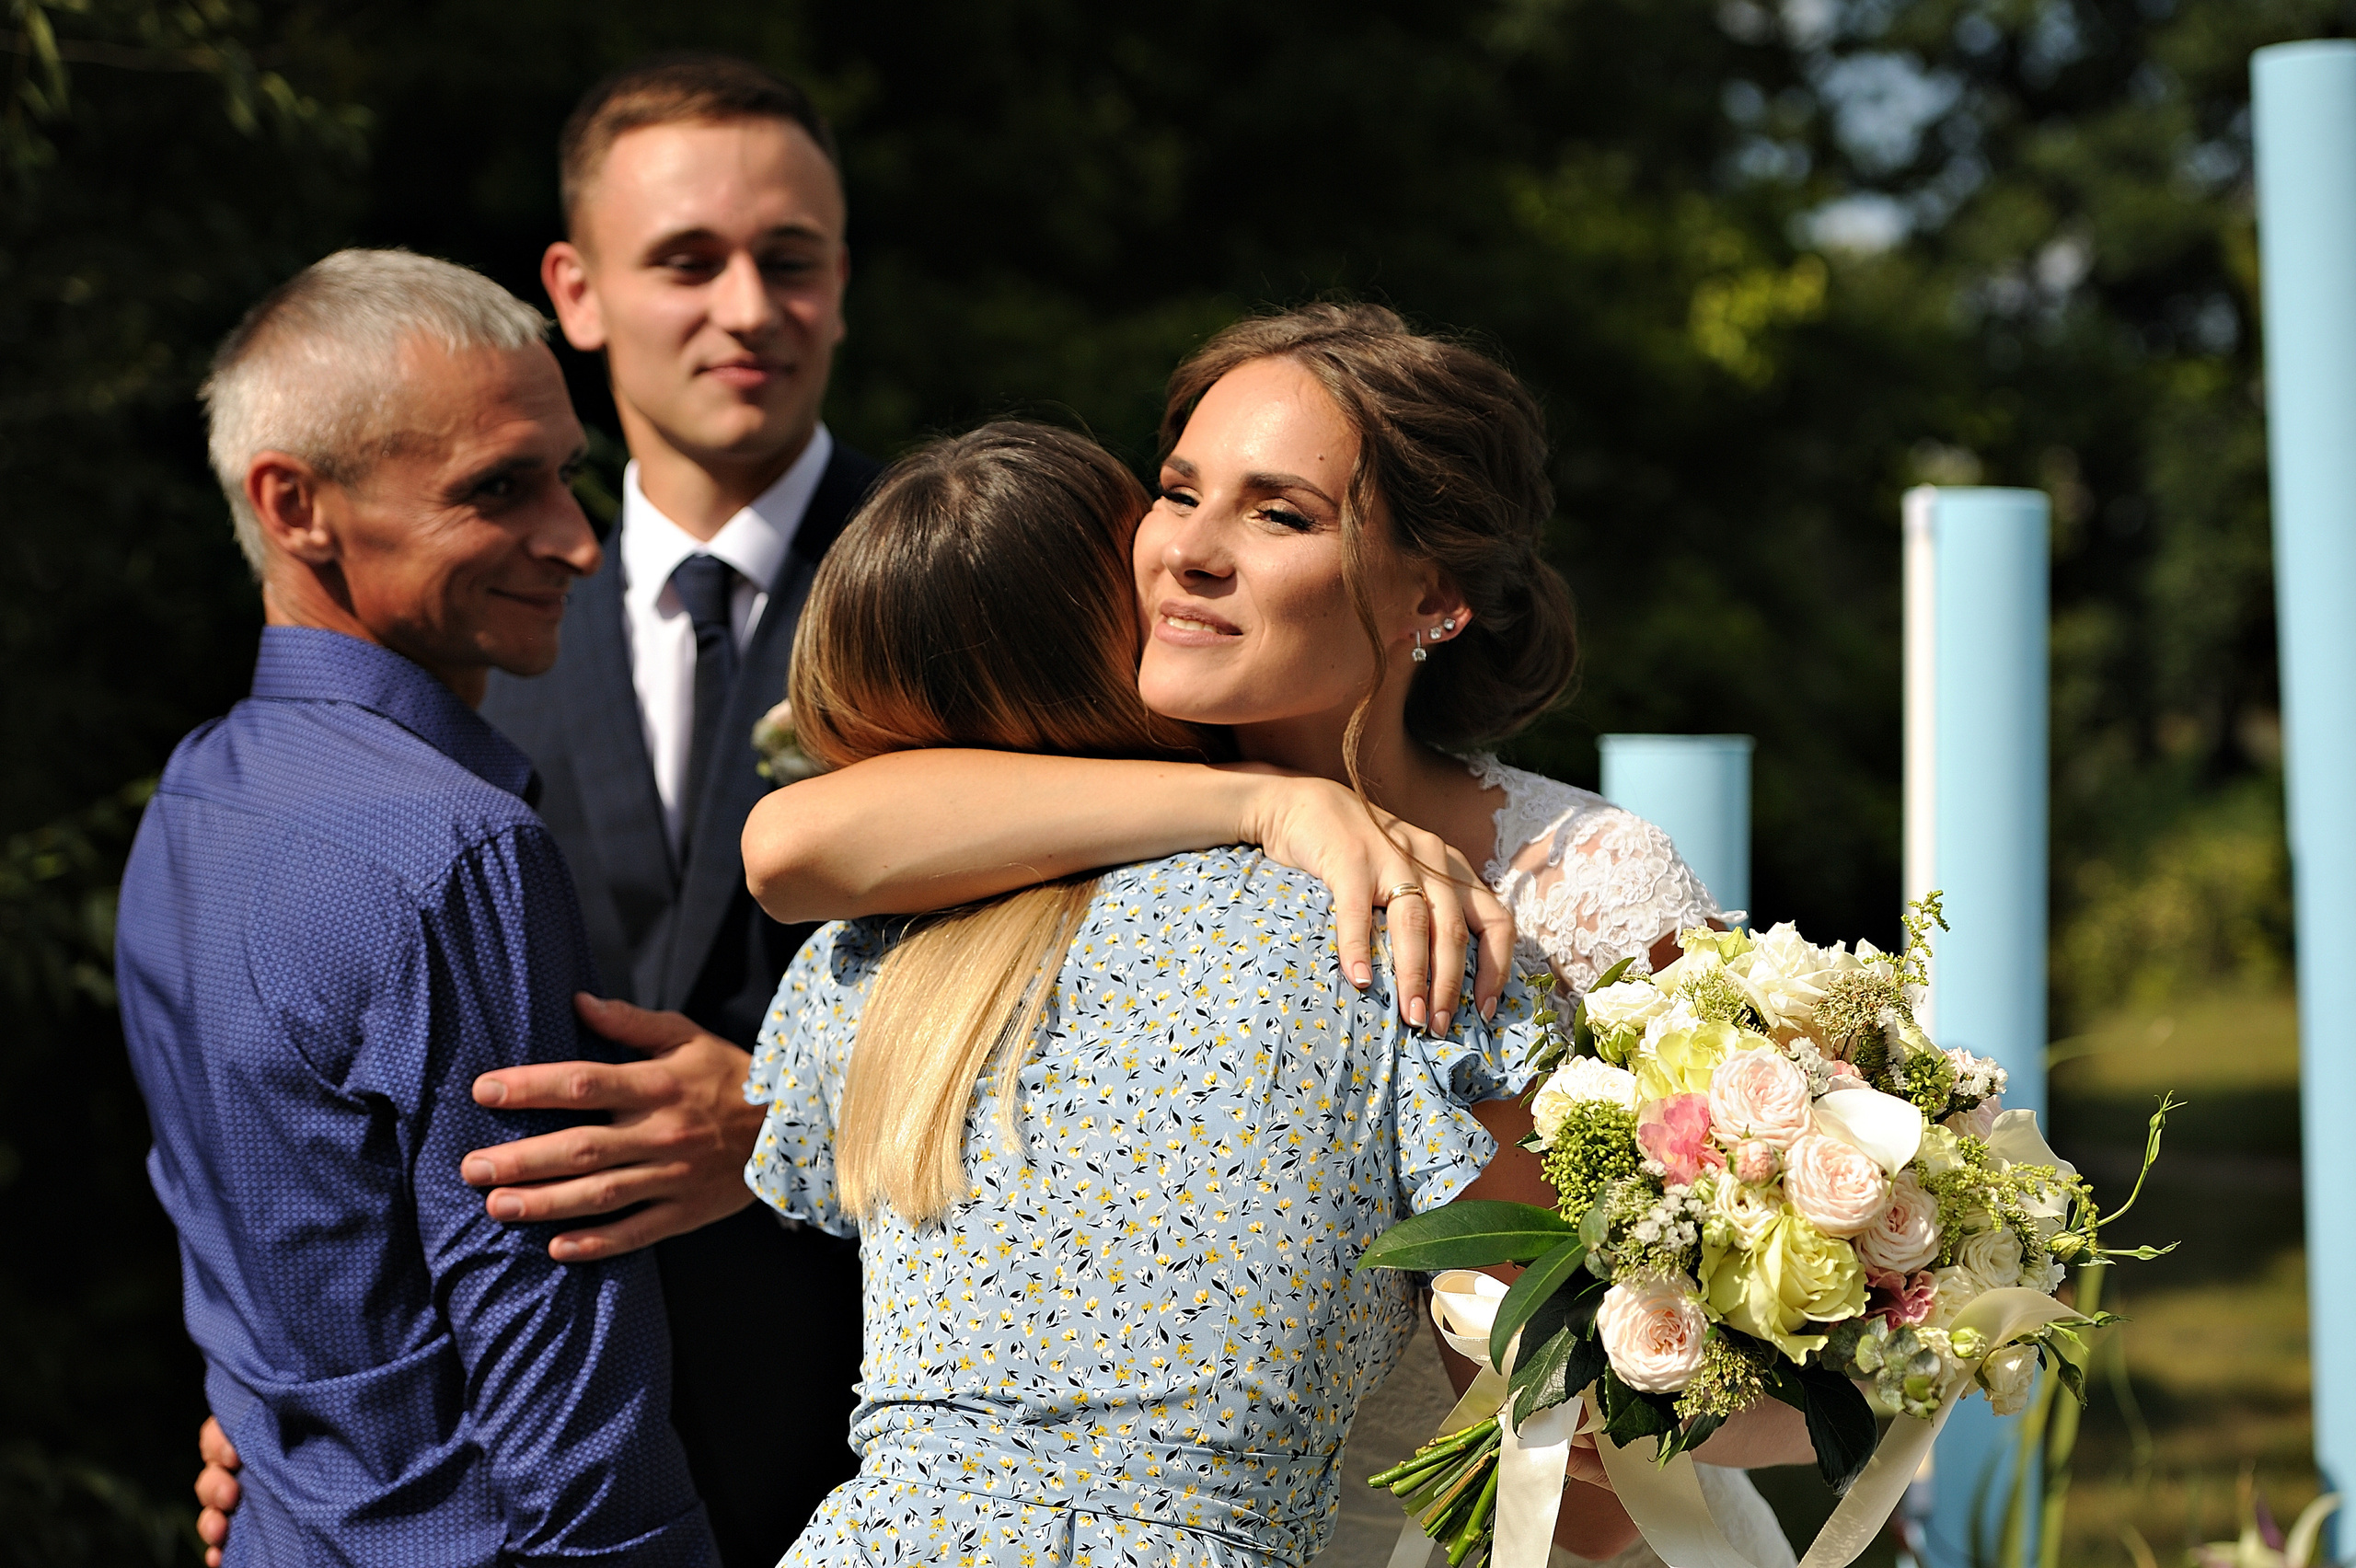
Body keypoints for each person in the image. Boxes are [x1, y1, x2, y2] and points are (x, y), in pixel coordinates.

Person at [741, 304, 1810, 1567]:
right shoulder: (1065, 827)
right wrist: (1267, 803)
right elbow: (792, 847)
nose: (1189, 552)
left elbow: (1629, 1412)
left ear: (1434, 595)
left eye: (1280, 514)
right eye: (1178, 492)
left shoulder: (1581, 879)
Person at [191, 55, 877, 1568]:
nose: (749, 309)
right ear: (575, 291)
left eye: (792, 259)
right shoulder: (457, 620)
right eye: (688, 260)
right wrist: (291, 1386)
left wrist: (807, 1121)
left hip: (886, 1453)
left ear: (843, 280)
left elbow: (1123, 1020)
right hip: (526, 1480)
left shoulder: (975, 591)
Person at [120, 249, 717, 1565]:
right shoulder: (460, 851)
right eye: (498, 489)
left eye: (567, 475)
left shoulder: (189, 799)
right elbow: (573, 1436)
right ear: (295, 505)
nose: (577, 540)